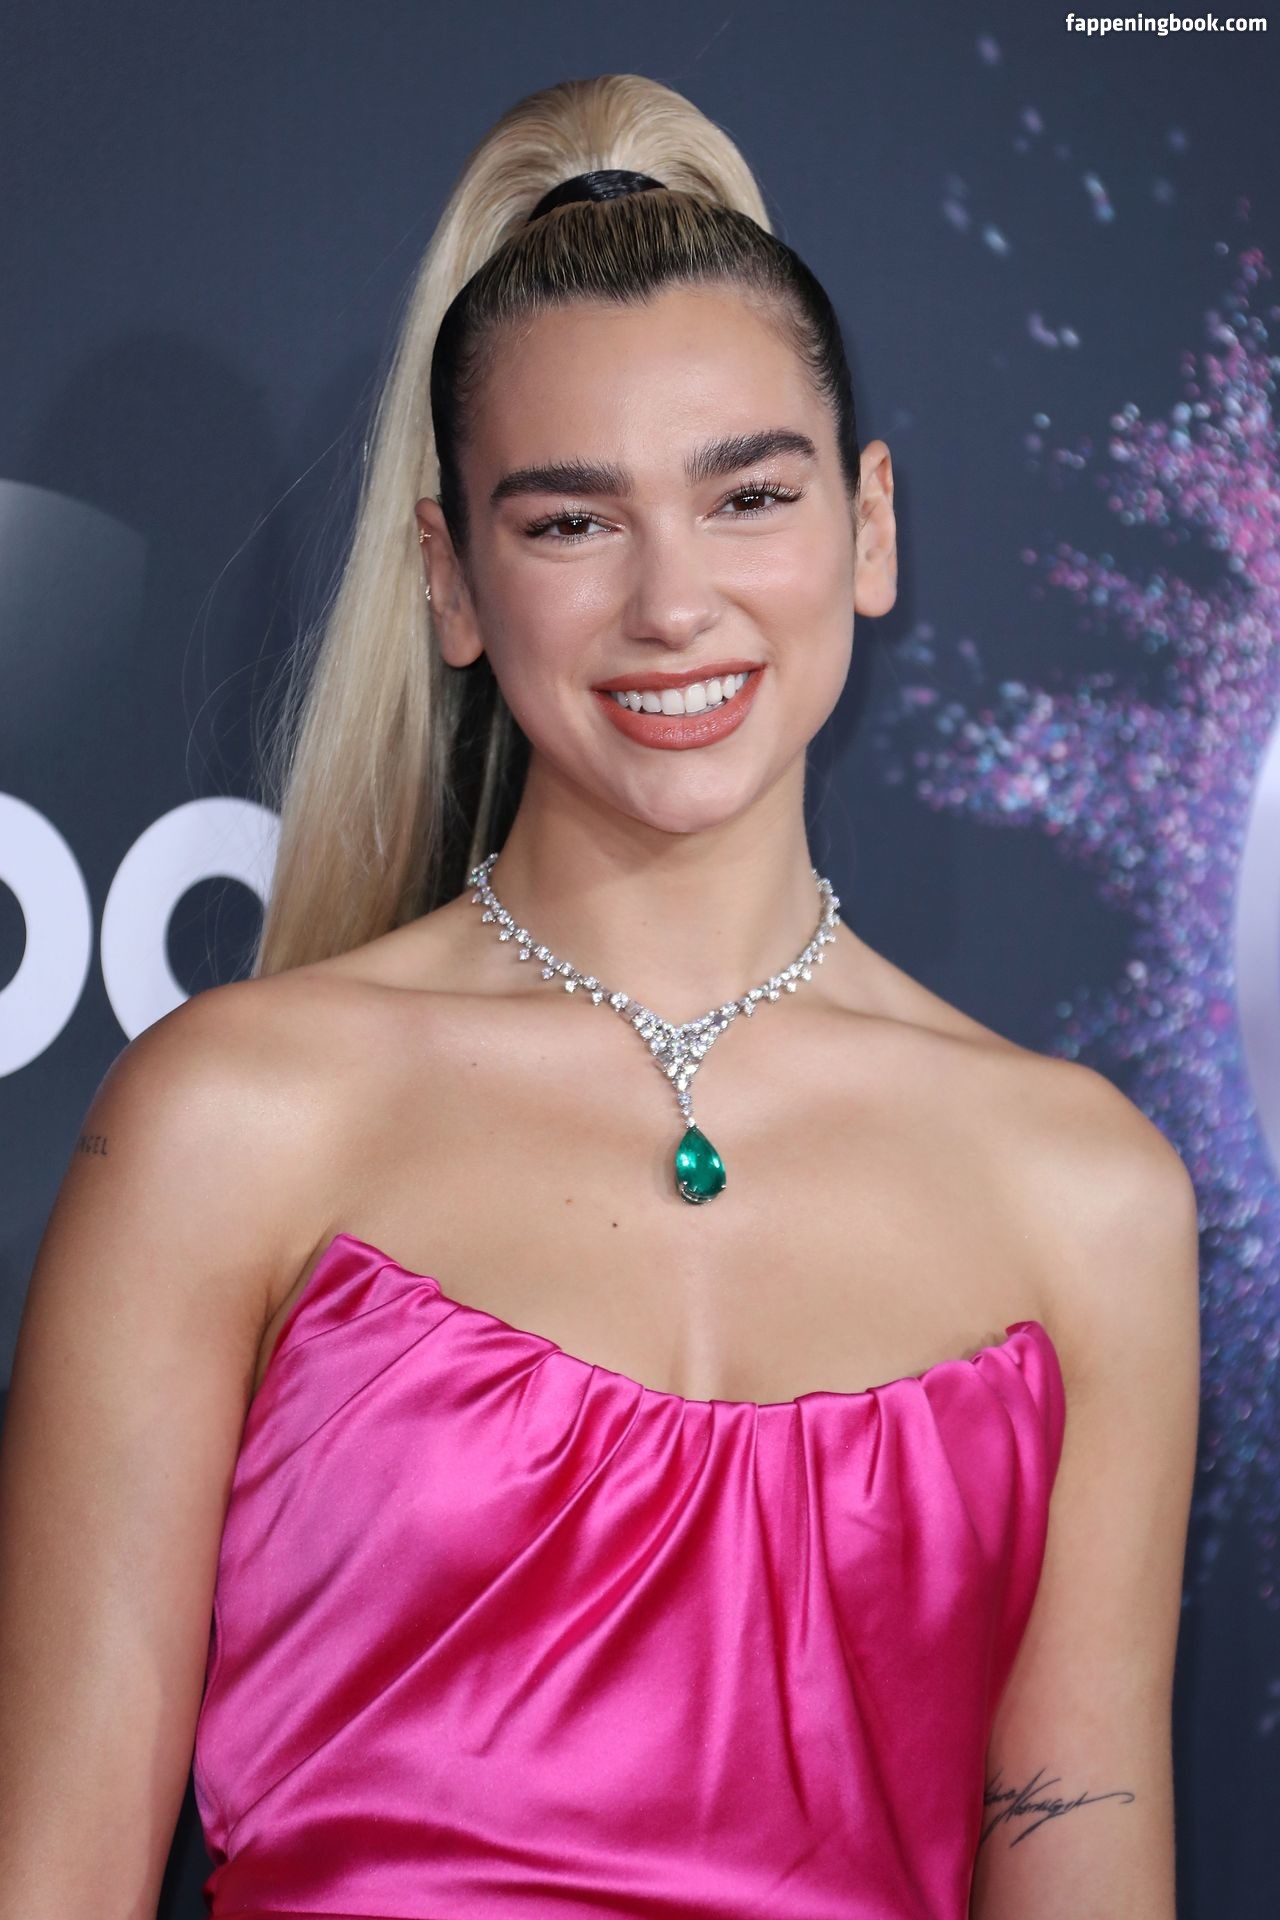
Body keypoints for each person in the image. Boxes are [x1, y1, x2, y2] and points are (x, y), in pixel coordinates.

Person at [0, 69, 1200, 1920]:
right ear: (452, 579)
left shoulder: (1088, 1196)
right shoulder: (229, 1124)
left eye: (751, 496)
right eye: (572, 522)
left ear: (871, 526)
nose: (672, 603)